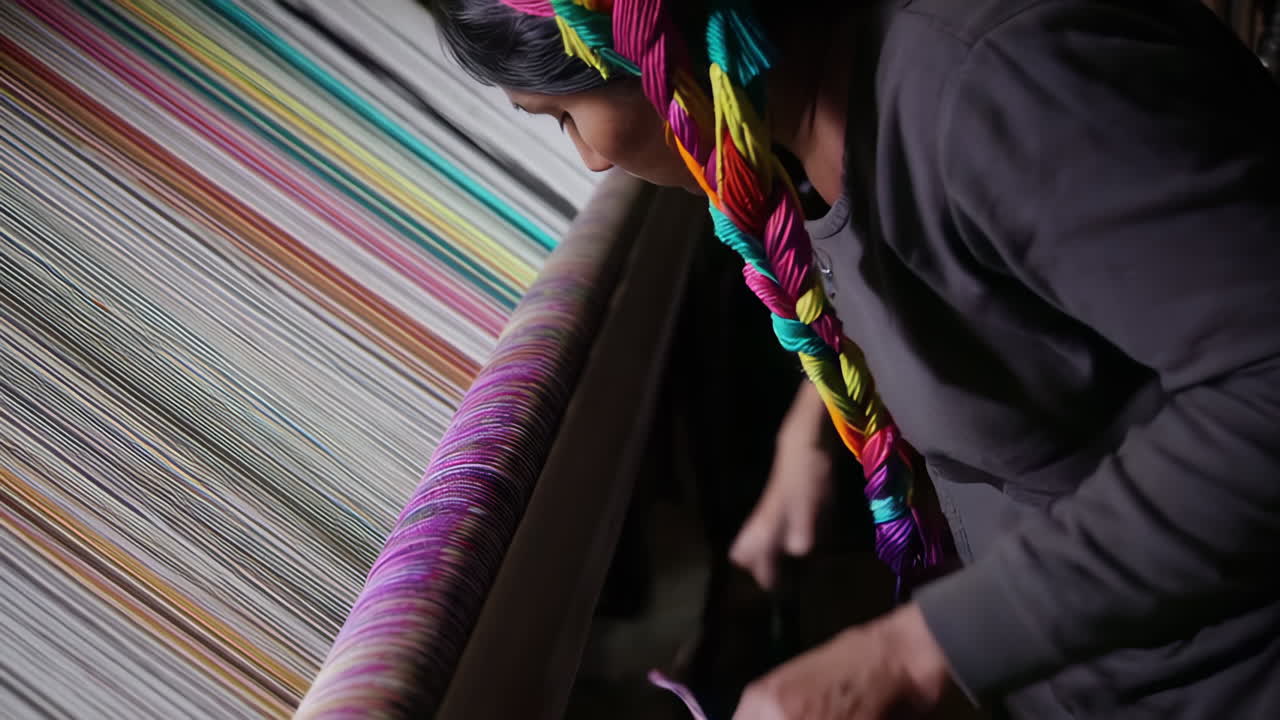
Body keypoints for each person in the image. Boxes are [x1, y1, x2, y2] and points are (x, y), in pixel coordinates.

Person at [427, 1, 1280, 718]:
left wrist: (915, 651)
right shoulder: (809, 105)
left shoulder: (989, 84)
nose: (592, 158)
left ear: (664, 46)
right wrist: (813, 439)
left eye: (566, 115)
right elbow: (999, 290)